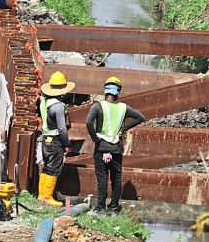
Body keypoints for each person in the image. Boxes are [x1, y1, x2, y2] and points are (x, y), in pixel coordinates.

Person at [85, 75, 145, 212]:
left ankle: (100, 208)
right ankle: (113, 208)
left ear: (105, 91)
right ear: (118, 91)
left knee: (102, 178)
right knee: (116, 179)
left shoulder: (98, 106)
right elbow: (140, 117)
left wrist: (95, 138)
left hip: (101, 147)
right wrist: (123, 129)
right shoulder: (124, 108)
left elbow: (88, 122)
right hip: (116, 148)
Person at [38, 70, 76, 206]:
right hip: (55, 140)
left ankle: (41, 195)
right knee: (54, 167)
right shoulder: (58, 106)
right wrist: (66, 143)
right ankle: (47, 197)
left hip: (45, 139)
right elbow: (62, 128)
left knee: (47, 166)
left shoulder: (45, 101)